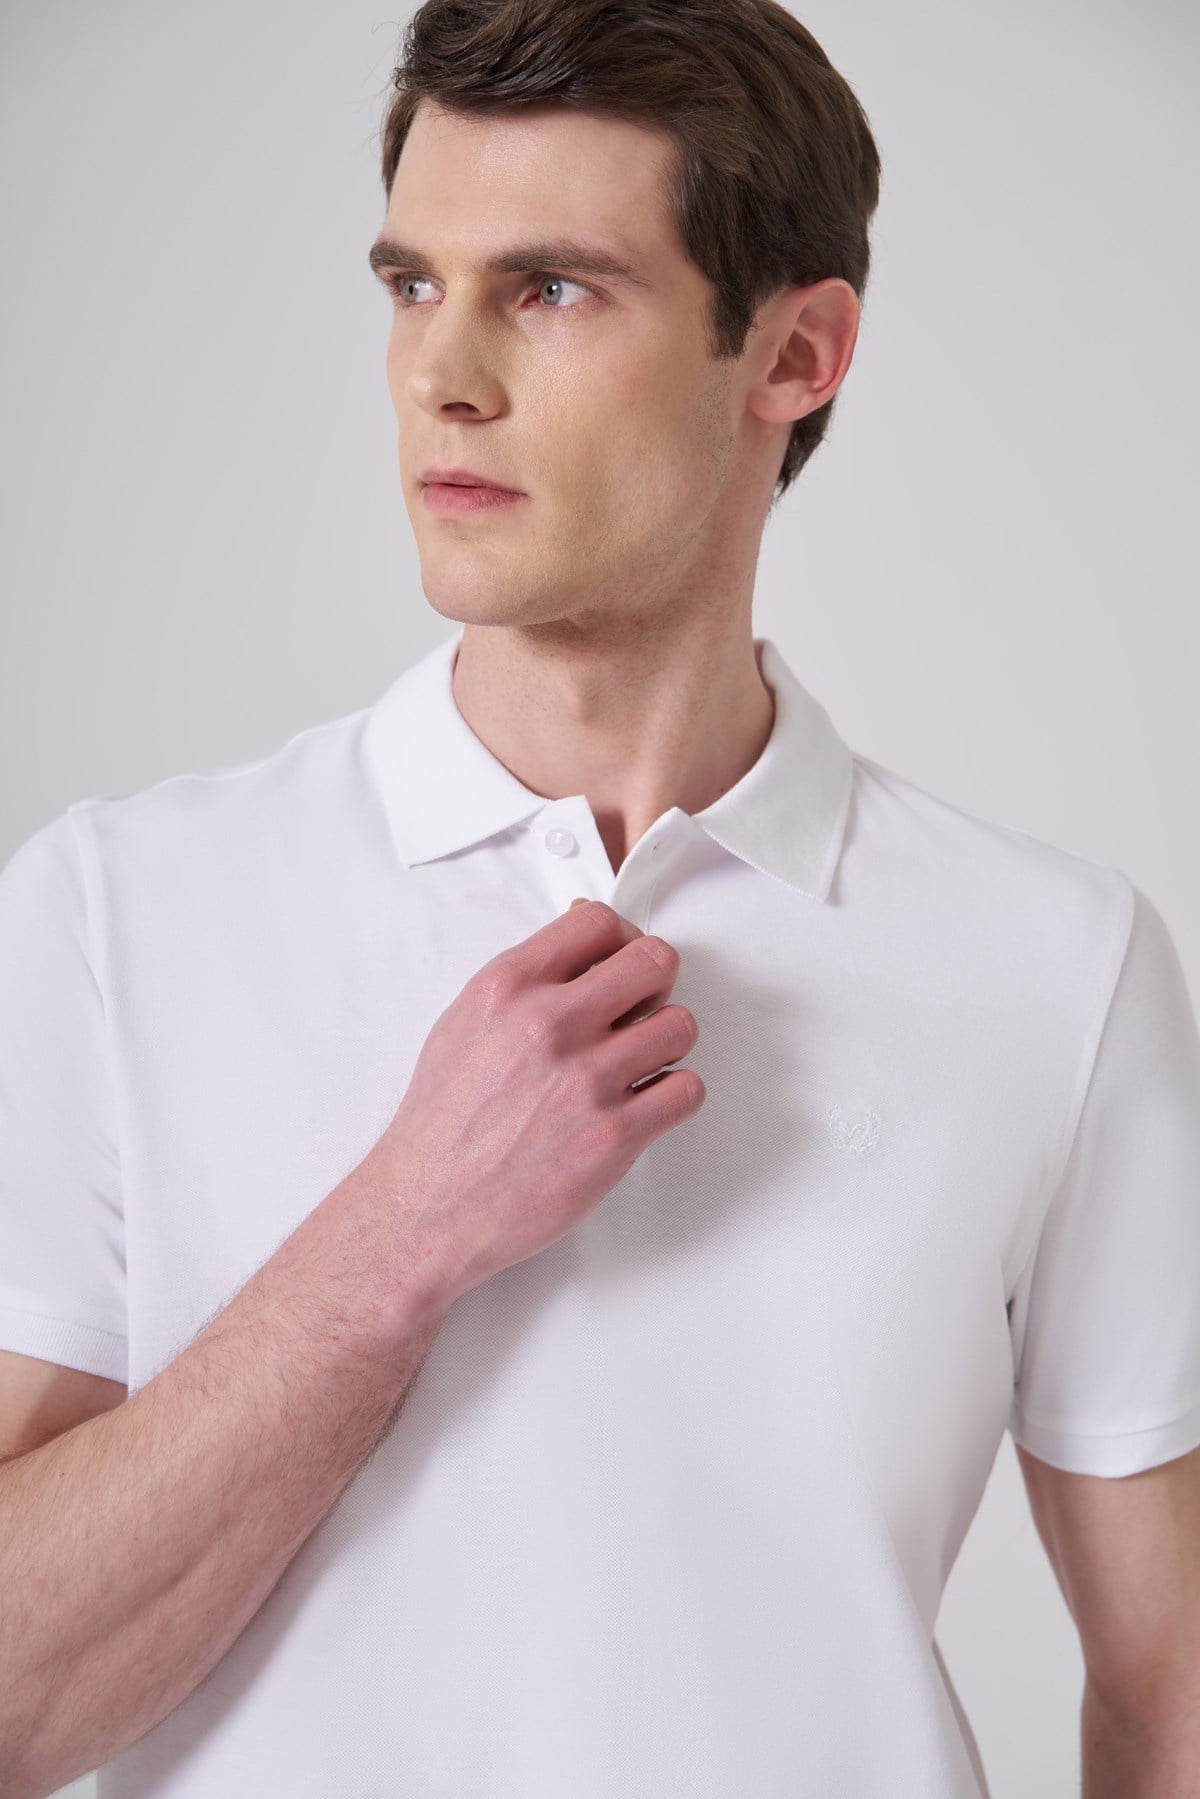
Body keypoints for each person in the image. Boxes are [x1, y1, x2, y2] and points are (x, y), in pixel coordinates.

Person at [1, 1, 1198, 1794]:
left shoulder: (1059, 966)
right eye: (412, 284)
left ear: (796, 353)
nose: (441, 372)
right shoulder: (110, 916)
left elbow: (1172, 1693)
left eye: (550, 289)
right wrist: (399, 1238)